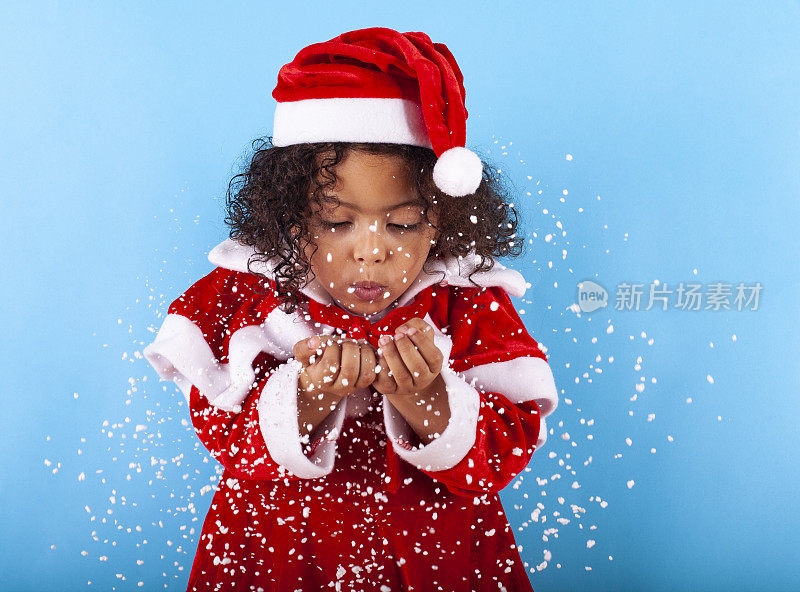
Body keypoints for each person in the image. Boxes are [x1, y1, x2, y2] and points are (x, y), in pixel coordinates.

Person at [144, 26, 558, 592]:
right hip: (280, 556)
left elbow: (505, 452)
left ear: (443, 219)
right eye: (337, 222)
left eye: (405, 223)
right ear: (289, 219)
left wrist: (431, 403)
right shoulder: (249, 298)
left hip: (438, 557)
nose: (372, 247)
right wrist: (305, 400)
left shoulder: (466, 301)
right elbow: (228, 440)